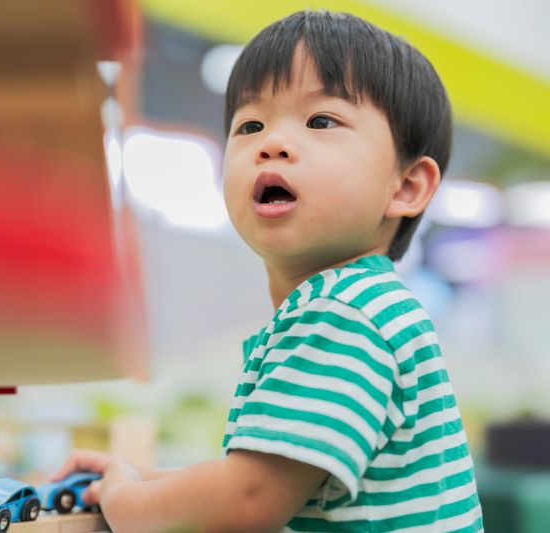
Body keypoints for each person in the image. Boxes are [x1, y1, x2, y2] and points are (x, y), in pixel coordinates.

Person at [52, 10, 482, 532]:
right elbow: (271, 480)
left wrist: (125, 501)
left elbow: (249, 501)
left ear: (406, 186)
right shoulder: (363, 302)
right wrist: (143, 481)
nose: (270, 143)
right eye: (249, 125)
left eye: (321, 121)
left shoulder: (341, 314)